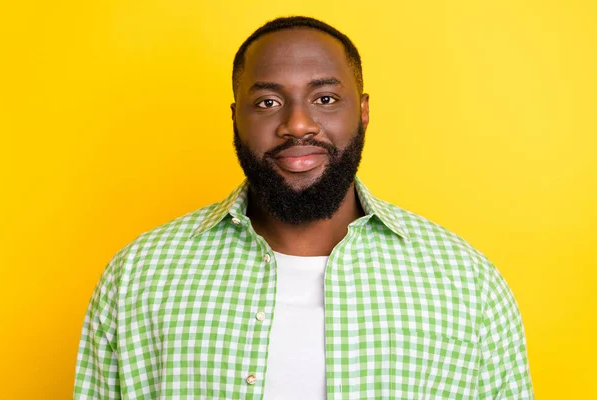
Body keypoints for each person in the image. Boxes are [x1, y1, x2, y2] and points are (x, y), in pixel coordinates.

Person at [74, 16, 533, 399]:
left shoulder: (466, 283)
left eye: (325, 99)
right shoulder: (139, 275)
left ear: (364, 110)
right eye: (268, 101)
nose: (297, 125)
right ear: (236, 116)